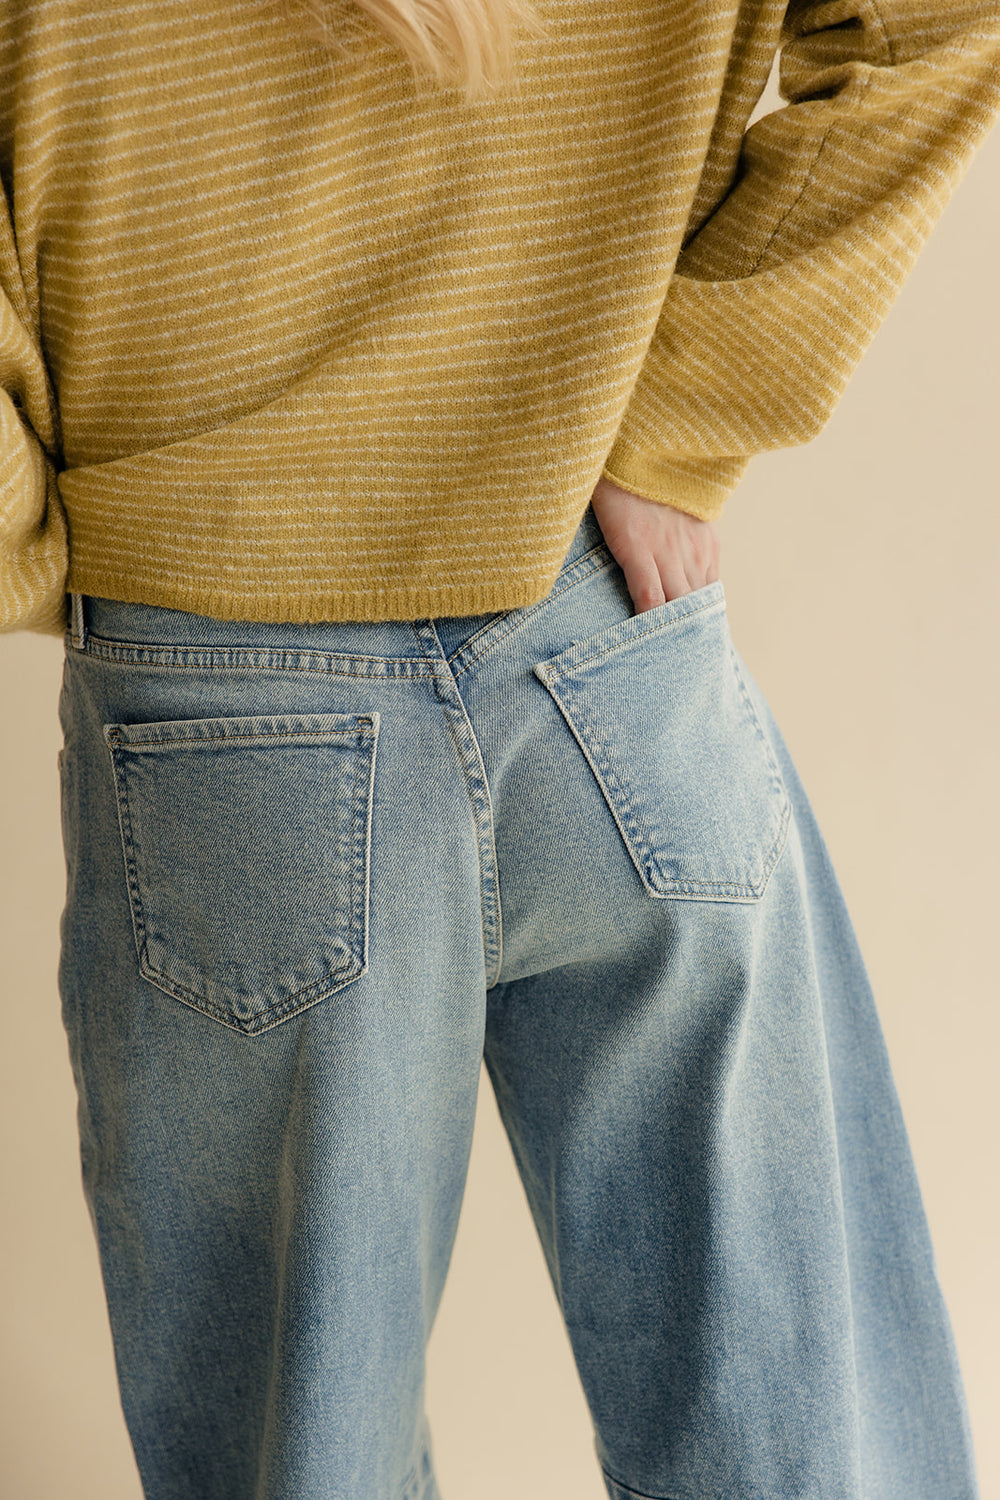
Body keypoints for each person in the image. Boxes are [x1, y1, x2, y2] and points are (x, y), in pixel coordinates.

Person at [2, 0, 998, 1495]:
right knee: (805, 1444)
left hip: (228, 723)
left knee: (304, 1466)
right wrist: (687, 420)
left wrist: (60, 555)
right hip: (615, 656)